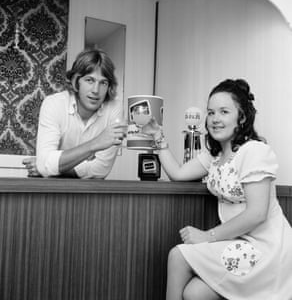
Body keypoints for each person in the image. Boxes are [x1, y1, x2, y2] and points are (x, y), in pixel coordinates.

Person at [142, 79, 292, 300]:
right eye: (211, 113)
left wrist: (207, 237)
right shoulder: (215, 156)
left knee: (178, 256)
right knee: (194, 293)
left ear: (241, 117)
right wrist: (157, 135)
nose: (215, 119)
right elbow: (178, 174)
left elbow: (257, 214)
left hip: (268, 249)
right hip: (240, 244)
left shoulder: (255, 151)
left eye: (224, 112)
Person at [23, 49, 126, 178]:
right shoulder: (54, 104)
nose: (96, 90)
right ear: (76, 81)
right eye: (89, 80)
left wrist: (53, 168)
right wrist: (95, 144)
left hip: (91, 193)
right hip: (49, 191)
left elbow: (101, 169)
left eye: (103, 83)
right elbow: (45, 164)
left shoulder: (114, 108)